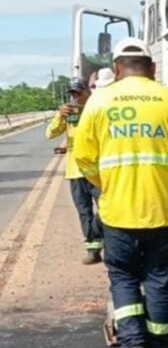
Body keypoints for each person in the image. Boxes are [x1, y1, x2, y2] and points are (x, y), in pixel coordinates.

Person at [73, 38, 168, 348]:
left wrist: (107, 186)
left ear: (117, 68)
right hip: (163, 210)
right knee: (160, 278)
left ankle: (133, 347)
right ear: (152, 67)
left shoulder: (99, 102)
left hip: (118, 212)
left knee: (123, 277)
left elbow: (84, 158)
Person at [45, 76, 104, 264]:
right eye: (73, 93)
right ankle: (93, 248)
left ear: (87, 91)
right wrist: (59, 116)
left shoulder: (97, 108)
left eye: (79, 92)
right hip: (76, 170)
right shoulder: (69, 114)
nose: (76, 97)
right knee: (84, 211)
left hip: (97, 170)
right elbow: (51, 133)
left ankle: (104, 239)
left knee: (106, 208)